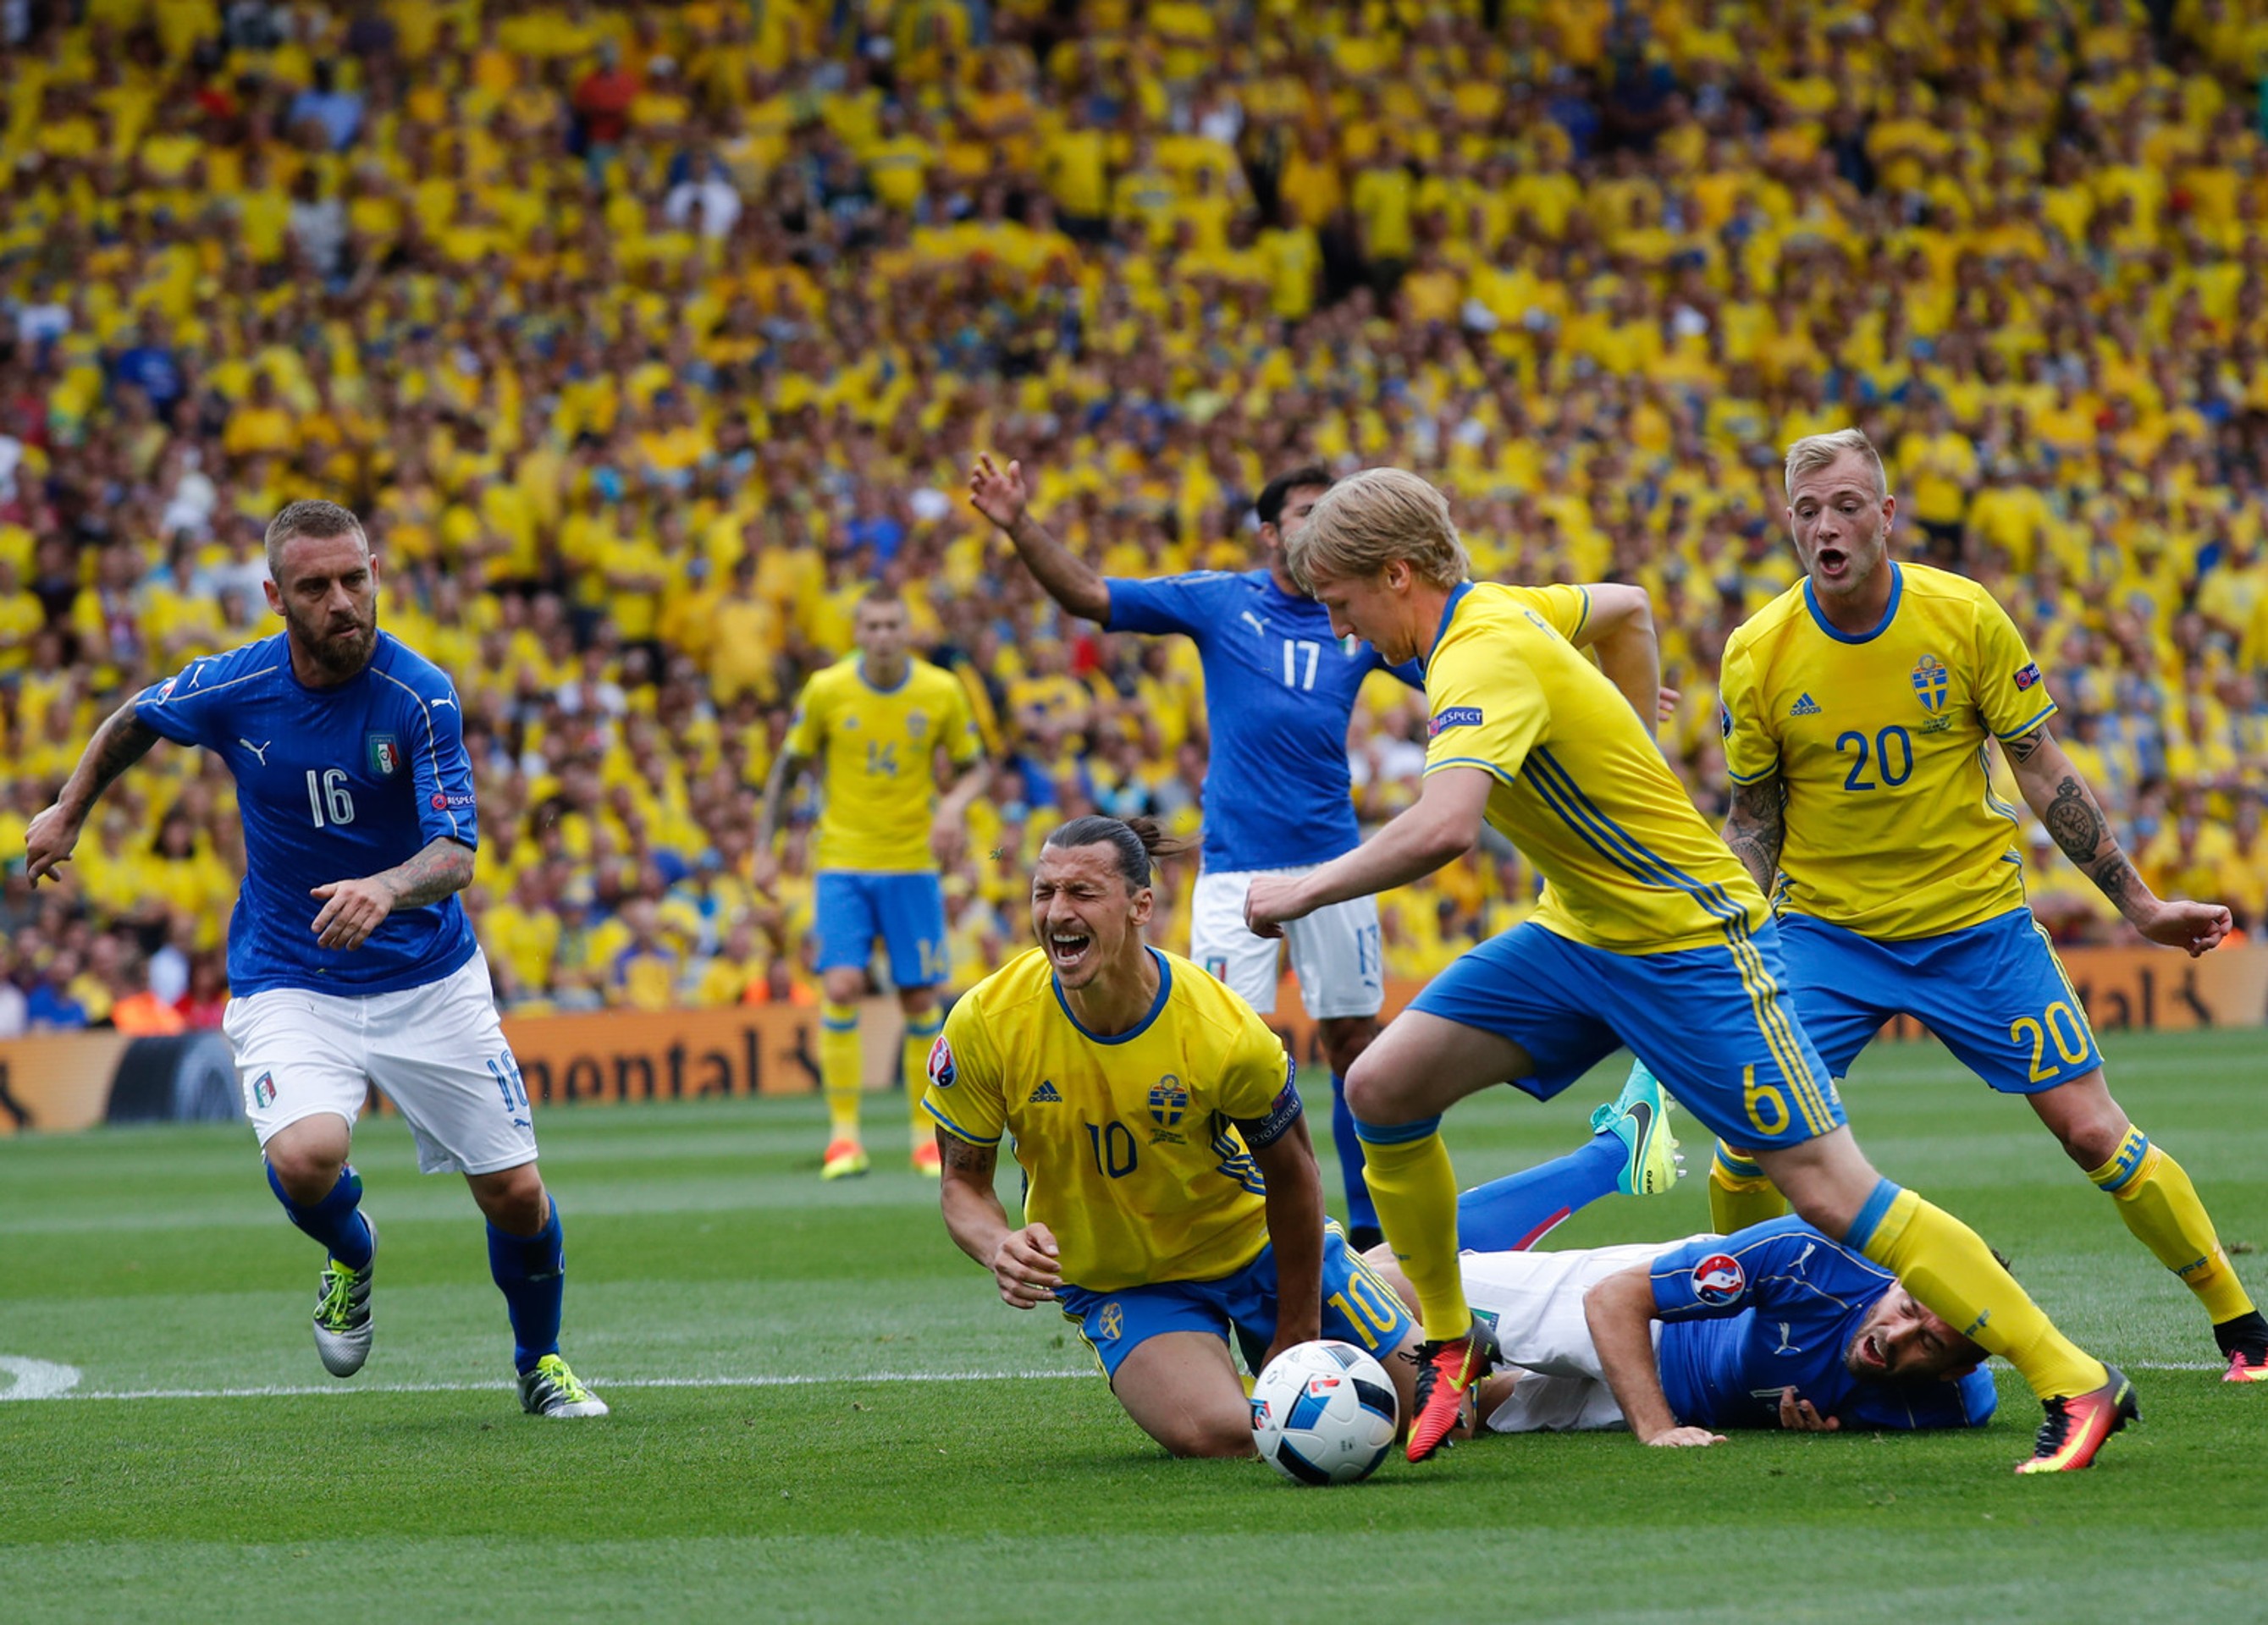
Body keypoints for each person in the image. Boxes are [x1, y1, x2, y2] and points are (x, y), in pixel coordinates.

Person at [1244, 466, 2131, 1474]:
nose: (1348, 632)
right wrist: (1630, 731)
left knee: (1828, 1189)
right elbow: (1626, 606)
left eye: (1343, 604)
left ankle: (2072, 1379)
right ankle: (1448, 1342)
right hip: (1582, 935)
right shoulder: (1502, 608)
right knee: (1382, 1088)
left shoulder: (1478, 655)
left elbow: (1446, 826)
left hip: (1688, 940)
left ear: (1398, 573)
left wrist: (1301, 890)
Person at [968, 454, 1665, 1252]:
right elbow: (1093, 597)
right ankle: (1246, 1223)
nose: (1319, 527)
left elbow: (1463, 662)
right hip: (1236, 871)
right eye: (1305, 513)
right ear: (1270, 532)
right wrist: (1020, 524)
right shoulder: (1223, 602)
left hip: (1335, 864)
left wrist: (1583, 691)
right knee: (1222, 1051)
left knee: (1352, 1047)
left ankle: (1368, 1231)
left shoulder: (1365, 622)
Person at [1687, 426, 2265, 1381]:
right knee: (1748, 1147)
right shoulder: (1757, 652)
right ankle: (1756, 1351)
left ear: (1886, 516)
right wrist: (1715, 941)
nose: (1824, 527)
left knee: (2091, 1130)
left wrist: (2141, 907)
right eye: (1805, 512)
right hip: (1827, 935)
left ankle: (2241, 1326)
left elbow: (2041, 769)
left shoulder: (1963, 615)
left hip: (1976, 925)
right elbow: (1755, 822)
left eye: (1844, 506)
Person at [24, 500, 604, 1418]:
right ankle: (352, 1247)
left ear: (376, 573)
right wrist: (68, 809)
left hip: (428, 980)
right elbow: (135, 719)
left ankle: (542, 1362)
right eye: (315, 586)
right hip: (291, 976)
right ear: (275, 595)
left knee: (517, 1195)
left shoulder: (422, 695)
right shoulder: (237, 686)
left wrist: (386, 887)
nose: (342, 601)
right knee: (307, 1158)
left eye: (355, 579)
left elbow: (457, 854)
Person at [923, 813, 1421, 1457]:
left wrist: (1297, 1328)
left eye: (1081, 893)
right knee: (1223, 1434)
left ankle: (1415, 1282)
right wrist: (998, 1245)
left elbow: (1294, 1173)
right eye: (1044, 892)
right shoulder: (987, 1022)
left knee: (1452, 1411)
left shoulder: (1222, 1030)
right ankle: (1387, 1280)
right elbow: (961, 1184)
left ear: (1139, 907)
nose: (1056, 912)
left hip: (1256, 1248)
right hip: (1127, 1284)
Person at [1360, 1117, 1997, 1444]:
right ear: (1896, 1278)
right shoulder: (1811, 1259)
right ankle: (1610, 1157)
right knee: (1376, 1281)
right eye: (1907, 1305)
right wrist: (1657, 1430)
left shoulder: (1953, 1406)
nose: (1899, 1335)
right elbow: (1612, 1301)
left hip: (1676, 1398)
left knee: (1454, 1420)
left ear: (1951, 1371)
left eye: (1929, 1345)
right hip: (1643, 1311)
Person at [756, 587, 989, 1178]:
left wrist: (953, 807)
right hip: (843, 862)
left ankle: (923, 1138)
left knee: (917, 999)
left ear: (906, 629)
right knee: (839, 986)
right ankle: (843, 1139)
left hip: (912, 864)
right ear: (857, 631)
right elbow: (787, 767)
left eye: (892, 625)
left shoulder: (939, 690)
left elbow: (976, 766)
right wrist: (764, 848)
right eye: (873, 625)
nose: (883, 635)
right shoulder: (828, 689)